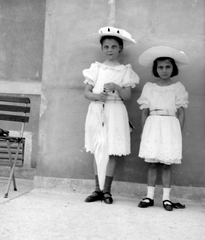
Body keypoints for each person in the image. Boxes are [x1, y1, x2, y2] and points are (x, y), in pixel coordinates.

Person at [83, 26, 139, 204]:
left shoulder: (125, 71)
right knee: (98, 149)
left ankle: (107, 191)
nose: (110, 50)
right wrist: (97, 96)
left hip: (115, 111)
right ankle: (97, 189)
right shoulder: (96, 69)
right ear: (102, 49)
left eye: (114, 47)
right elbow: (86, 93)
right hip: (98, 110)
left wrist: (117, 87)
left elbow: (128, 97)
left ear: (120, 48)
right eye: (106, 47)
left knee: (112, 151)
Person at [137, 46, 189, 211]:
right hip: (153, 124)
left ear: (173, 68)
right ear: (155, 69)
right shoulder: (150, 87)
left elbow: (181, 112)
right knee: (152, 163)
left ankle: (166, 198)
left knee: (167, 164)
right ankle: (149, 196)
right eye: (160, 67)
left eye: (168, 67)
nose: (164, 70)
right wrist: (145, 131)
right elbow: (144, 111)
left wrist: (177, 133)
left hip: (170, 125)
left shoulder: (178, 88)